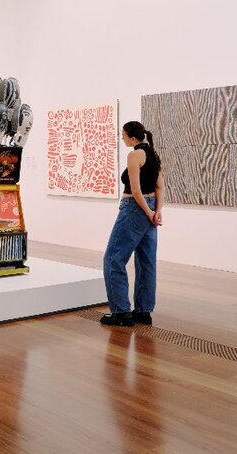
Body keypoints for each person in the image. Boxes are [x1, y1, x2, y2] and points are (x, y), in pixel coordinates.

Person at [100, 121, 164, 327]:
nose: (122, 138)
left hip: (134, 208)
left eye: (123, 135)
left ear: (132, 138)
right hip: (151, 208)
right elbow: (160, 187)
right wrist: (156, 212)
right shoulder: (153, 154)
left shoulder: (134, 155)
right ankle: (143, 312)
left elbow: (135, 191)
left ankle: (121, 313)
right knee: (147, 261)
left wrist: (147, 212)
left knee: (113, 259)